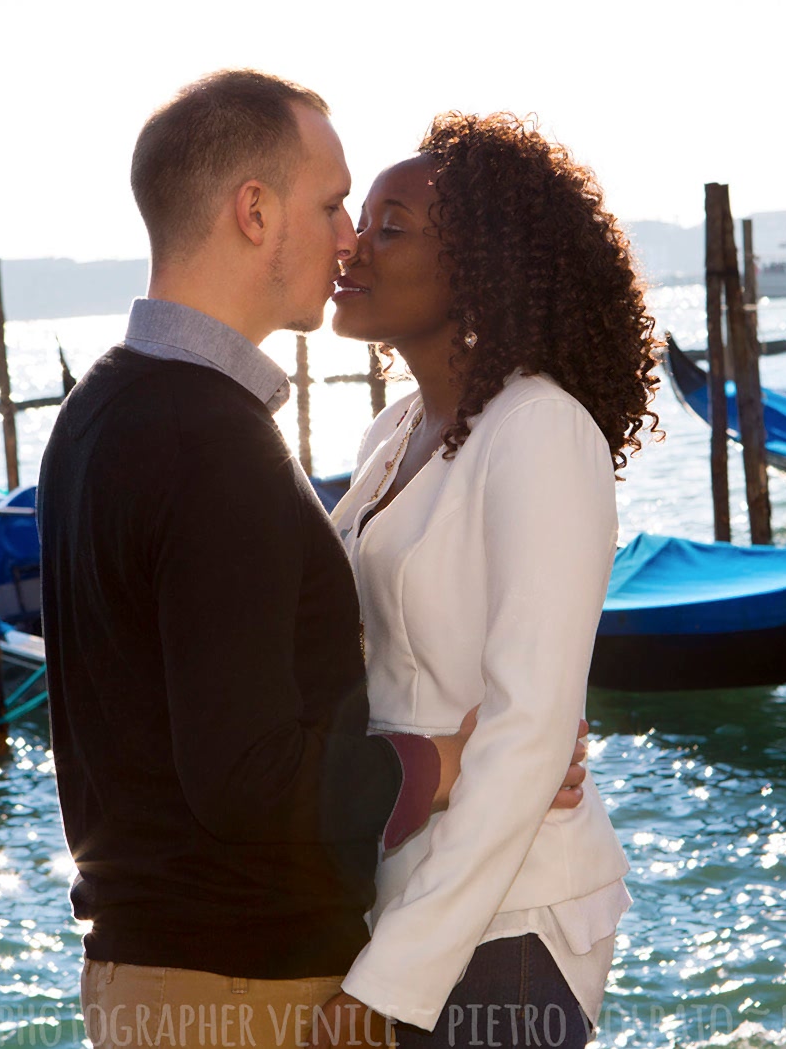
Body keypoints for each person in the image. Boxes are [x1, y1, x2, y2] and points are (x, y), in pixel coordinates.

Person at [37, 72, 589, 1049]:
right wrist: (449, 760)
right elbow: (252, 772)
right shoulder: (215, 441)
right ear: (253, 211)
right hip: (237, 974)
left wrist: (521, 736)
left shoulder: (97, 413)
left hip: (197, 960)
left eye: (381, 221)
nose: (348, 240)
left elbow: (295, 664)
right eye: (337, 207)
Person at [320, 113, 660, 1047]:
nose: (352, 244)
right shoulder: (390, 435)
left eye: (392, 227)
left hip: (508, 924)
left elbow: (530, 733)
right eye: (359, 219)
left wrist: (389, 979)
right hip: (406, 900)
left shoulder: (540, 431)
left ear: (479, 267)